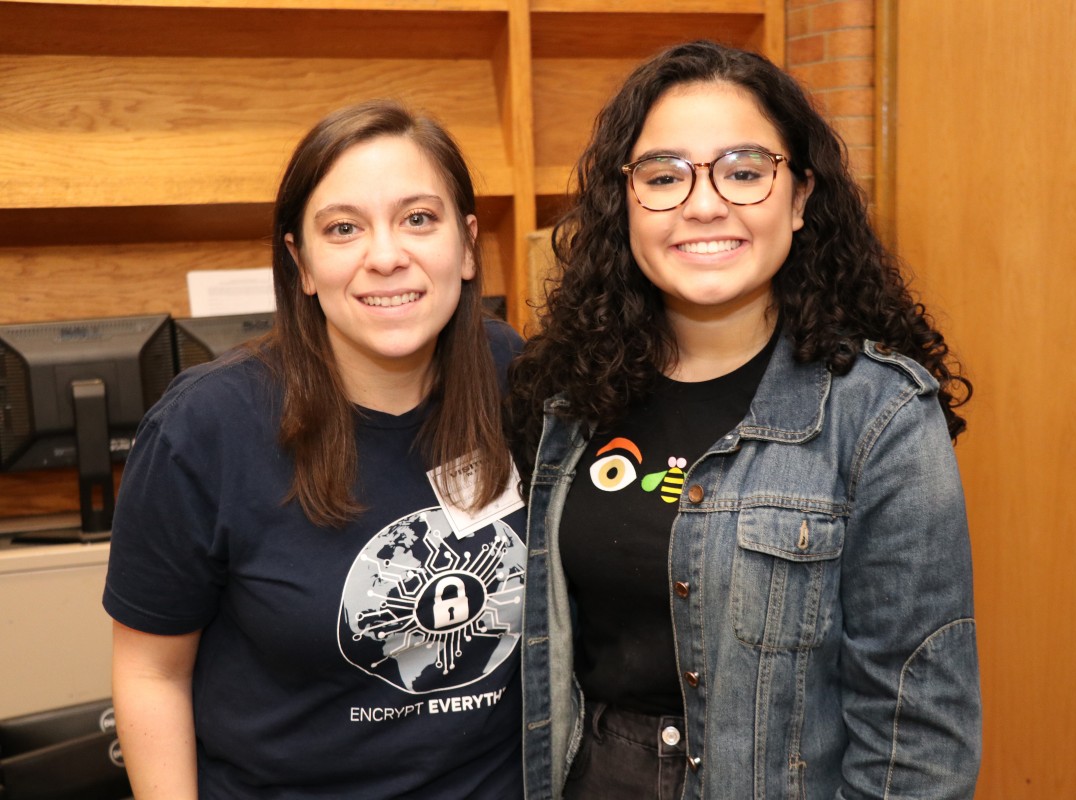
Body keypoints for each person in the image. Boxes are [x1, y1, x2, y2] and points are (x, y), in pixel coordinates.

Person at [505, 41, 982, 799]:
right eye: (663, 175)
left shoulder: (879, 417)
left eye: (745, 171)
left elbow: (917, 733)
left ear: (799, 199)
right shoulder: (566, 395)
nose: (703, 203)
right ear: (622, 203)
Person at [104, 99, 526, 798]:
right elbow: (152, 673)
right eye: (343, 228)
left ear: (469, 243)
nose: (387, 256)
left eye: (419, 219)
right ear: (300, 262)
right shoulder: (205, 428)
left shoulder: (519, 379)